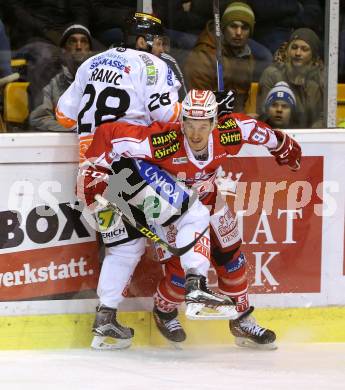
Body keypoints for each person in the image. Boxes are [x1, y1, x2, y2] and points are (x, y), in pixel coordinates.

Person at [57, 13, 235, 350]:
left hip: (90, 177)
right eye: (159, 41)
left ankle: (105, 321)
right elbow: (171, 117)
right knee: (194, 213)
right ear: (142, 41)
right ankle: (196, 286)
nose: (163, 48)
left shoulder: (90, 63)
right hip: (126, 169)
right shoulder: (152, 66)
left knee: (125, 248)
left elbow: (63, 115)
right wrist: (213, 105)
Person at [82, 89, 302, 349]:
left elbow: (257, 130)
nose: (196, 134)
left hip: (208, 199)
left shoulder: (229, 132)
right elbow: (108, 135)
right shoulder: (164, 140)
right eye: (190, 125)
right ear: (182, 121)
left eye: (203, 126)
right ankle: (165, 311)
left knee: (231, 256)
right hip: (171, 207)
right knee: (177, 270)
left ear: (214, 122)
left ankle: (242, 318)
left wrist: (282, 145)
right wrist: (93, 171)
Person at [184, 2, 272, 112]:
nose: (239, 32)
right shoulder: (204, 56)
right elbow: (198, 104)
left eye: (244, 28)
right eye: (233, 26)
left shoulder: (246, 55)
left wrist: (241, 119)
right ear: (223, 28)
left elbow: (241, 101)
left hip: (232, 120)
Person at [256, 27, 324, 128]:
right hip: (278, 135)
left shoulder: (320, 79)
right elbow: (264, 114)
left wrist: (310, 137)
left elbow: (322, 118)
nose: (298, 53)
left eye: (304, 49)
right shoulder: (272, 74)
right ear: (287, 50)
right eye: (294, 47)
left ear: (313, 56)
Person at [29, 24, 92, 132]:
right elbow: (39, 118)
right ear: (63, 50)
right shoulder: (51, 81)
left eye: (84, 41)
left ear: (90, 50)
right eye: (72, 41)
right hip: (62, 143)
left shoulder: (103, 80)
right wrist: (75, 129)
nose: (78, 46)